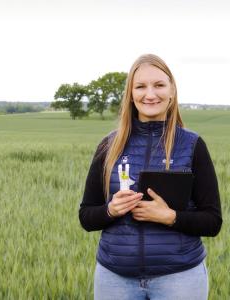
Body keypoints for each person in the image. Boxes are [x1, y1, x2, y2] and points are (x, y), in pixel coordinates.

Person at [79, 54, 222, 300]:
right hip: (115, 280)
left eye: (159, 85)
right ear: (130, 94)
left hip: (180, 279)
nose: (150, 94)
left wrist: (170, 217)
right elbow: (86, 216)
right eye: (141, 86)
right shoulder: (108, 146)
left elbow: (213, 221)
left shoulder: (192, 145)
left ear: (172, 91)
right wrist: (111, 210)